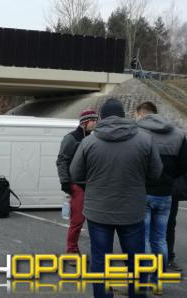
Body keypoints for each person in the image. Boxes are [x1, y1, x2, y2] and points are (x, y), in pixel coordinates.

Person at [70, 98, 163, 298]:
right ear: (124, 116)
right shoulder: (145, 140)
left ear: (101, 117)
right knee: (135, 261)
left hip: (98, 212)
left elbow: (75, 174)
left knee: (100, 261)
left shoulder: (89, 142)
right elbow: (156, 172)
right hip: (132, 211)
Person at [135, 101, 187, 278]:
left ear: (141, 114)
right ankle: (158, 279)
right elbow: (183, 166)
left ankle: (145, 279)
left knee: (145, 237)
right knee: (160, 238)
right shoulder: (179, 134)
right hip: (166, 193)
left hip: (143, 191)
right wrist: (169, 178)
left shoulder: (137, 132)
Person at [56, 109, 98, 254]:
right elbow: (62, 161)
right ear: (85, 122)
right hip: (76, 185)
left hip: (92, 185)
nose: (95, 123)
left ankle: (97, 249)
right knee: (77, 221)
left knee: (95, 220)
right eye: (93, 120)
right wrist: (65, 182)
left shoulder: (94, 139)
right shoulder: (71, 138)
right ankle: (72, 250)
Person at [168, 174, 187, 271]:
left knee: (169, 226)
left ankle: (168, 258)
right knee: (169, 227)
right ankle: (168, 258)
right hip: (170, 192)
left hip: (169, 192)